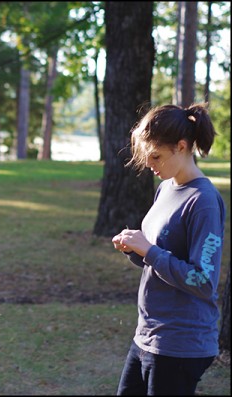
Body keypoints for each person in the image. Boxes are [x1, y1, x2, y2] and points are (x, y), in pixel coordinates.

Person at [111, 103, 225, 395]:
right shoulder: (166, 187)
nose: (150, 164)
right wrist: (135, 249)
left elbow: (203, 281)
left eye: (156, 156)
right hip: (148, 334)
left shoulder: (203, 201)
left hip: (180, 344)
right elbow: (158, 257)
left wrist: (148, 251)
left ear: (182, 146)